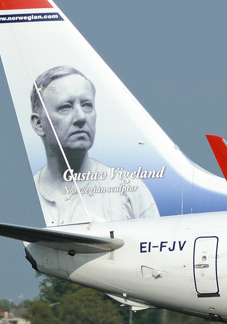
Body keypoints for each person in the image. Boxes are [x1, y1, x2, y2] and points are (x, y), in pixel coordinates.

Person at [30, 66, 159, 225]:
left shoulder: (129, 189)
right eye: (66, 107)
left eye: (86, 105)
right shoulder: (28, 196)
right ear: (39, 124)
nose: (81, 117)